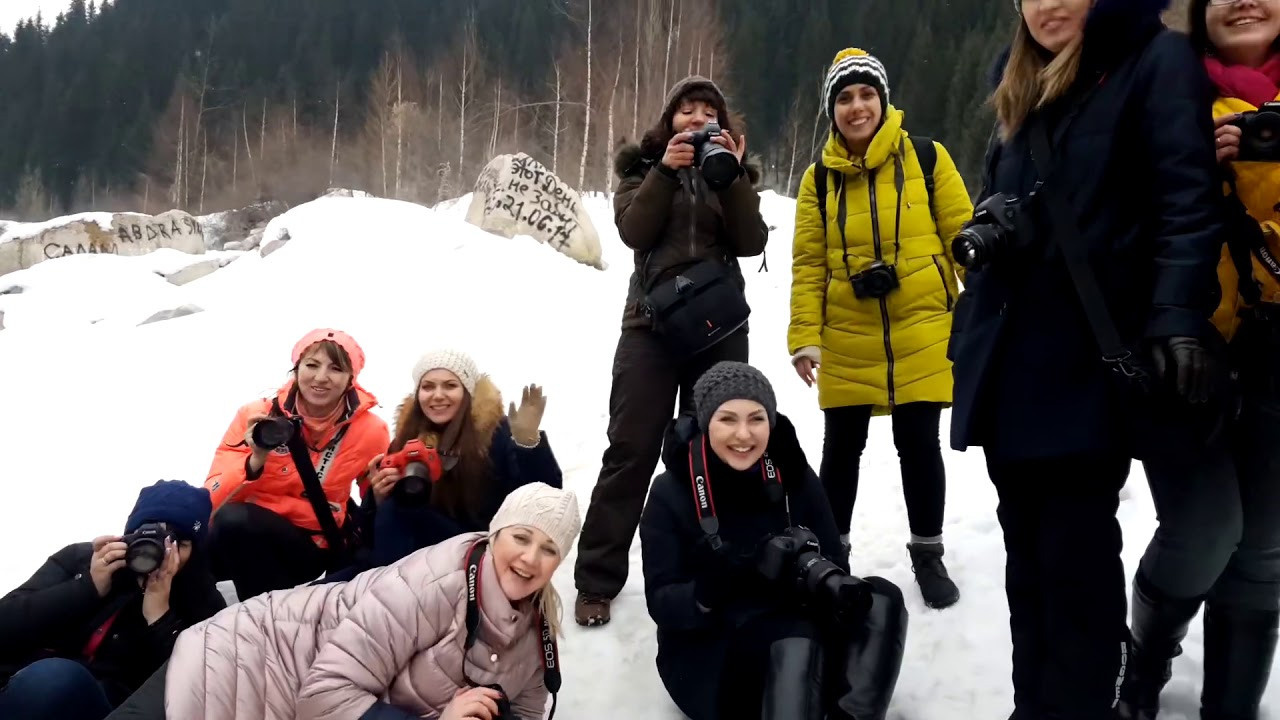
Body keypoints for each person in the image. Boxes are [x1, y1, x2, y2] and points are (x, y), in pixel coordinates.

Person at [949, 0, 1226, 717]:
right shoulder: (1020, 85)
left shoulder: (1152, 63)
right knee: (1028, 572)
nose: (1048, 6)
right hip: (1010, 370)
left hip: (1086, 369)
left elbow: (1187, 202)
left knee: (1074, 571)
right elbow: (1001, 200)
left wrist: (1174, 316)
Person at [1119, 3, 1280, 718]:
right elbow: (1120, 220)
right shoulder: (1166, 92)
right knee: (1206, 528)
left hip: (1277, 358)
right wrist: (1191, 170)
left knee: (1265, 554)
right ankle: (1144, 668)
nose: (1243, 1)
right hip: (1185, 358)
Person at [110, 482, 580, 720]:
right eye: (521, 537)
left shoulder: (536, 632)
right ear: (495, 533)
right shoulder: (434, 581)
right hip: (245, 655)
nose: (529, 558)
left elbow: (526, 712)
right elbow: (326, 696)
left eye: (549, 549)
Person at [574, 74, 769, 627]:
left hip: (720, 325)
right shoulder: (639, 169)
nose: (698, 118)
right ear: (669, 120)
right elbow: (635, 233)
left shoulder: (733, 172)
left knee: (719, 446)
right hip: (650, 326)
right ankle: (597, 579)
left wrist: (730, 175)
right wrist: (666, 170)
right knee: (631, 449)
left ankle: (716, 565)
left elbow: (752, 242)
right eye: (687, 110)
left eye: (709, 110)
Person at [789, 47, 974, 610]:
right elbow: (808, 264)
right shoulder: (818, 180)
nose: (857, 106)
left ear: (884, 100)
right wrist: (804, 336)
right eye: (844, 97)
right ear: (832, 111)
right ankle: (832, 552)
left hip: (921, 326)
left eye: (866, 93)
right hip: (847, 330)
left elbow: (964, 234)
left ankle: (928, 551)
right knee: (841, 449)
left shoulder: (926, 157)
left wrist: (982, 309)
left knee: (918, 445)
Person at [640, 362, 908, 720]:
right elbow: (662, 603)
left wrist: (812, 573)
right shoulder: (671, 491)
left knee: (879, 599)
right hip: (711, 652)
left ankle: (851, 714)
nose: (743, 435)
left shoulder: (791, 471)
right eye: (727, 419)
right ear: (706, 423)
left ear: (771, 421)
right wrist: (716, 585)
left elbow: (835, 561)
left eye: (756, 419)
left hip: (797, 619)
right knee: (794, 638)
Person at [0, 480, 224, 720]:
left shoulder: (202, 599)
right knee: (51, 680)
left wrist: (160, 618)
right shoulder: (83, 559)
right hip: (24, 688)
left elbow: (200, 690)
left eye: (179, 542)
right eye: (149, 535)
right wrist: (88, 587)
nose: (163, 551)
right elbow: (6, 625)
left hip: (108, 707)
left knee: (56, 680)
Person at [338, 348, 562, 576]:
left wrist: (529, 445)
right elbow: (370, 531)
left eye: (450, 385)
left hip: (476, 556)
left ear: (468, 392)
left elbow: (544, 500)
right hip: (410, 555)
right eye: (428, 387)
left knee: (397, 512)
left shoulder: (496, 433)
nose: (437, 395)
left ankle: (383, 591)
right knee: (317, 594)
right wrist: (376, 497)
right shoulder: (407, 438)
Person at [204, 328, 390, 600]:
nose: (321, 378)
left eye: (335, 369)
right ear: (296, 368)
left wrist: (383, 494)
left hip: (310, 545)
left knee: (236, 522)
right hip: (241, 534)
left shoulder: (370, 430)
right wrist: (254, 460)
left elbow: (372, 500)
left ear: (351, 378)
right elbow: (213, 495)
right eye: (311, 365)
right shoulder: (257, 416)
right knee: (194, 550)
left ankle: (262, 621)